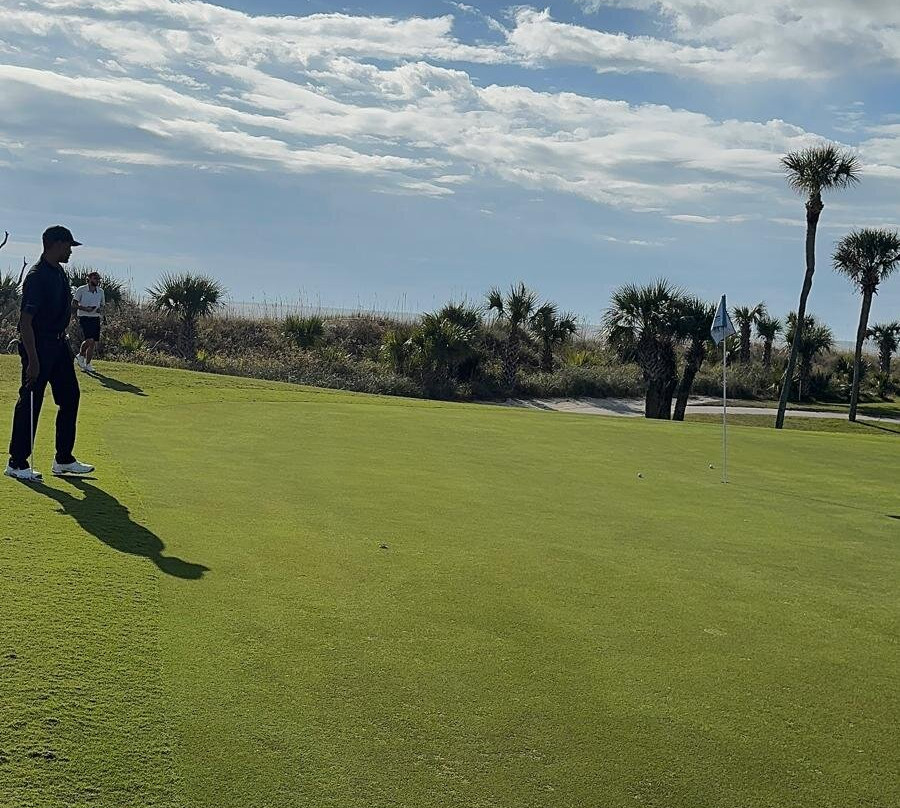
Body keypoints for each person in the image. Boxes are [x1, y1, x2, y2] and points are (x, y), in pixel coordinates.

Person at [5, 225, 95, 481]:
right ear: (55, 244)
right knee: (31, 400)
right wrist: (32, 359)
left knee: (70, 397)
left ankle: (63, 459)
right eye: (68, 246)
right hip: (39, 345)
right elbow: (25, 321)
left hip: (59, 345)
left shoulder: (59, 273)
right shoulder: (36, 276)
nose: (70, 251)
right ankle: (17, 462)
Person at [73, 270, 105, 372]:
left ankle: (87, 364)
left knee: (93, 343)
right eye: (95, 278)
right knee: (89, 340)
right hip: (84, 317)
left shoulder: (101, 291)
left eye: (98, 279)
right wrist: (85, 308)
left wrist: (100, 309)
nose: (97, 281)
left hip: (95, 317)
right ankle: (81, 355)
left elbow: (103, 305)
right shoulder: (81, 290)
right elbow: (74, 304)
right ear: (89, 279)